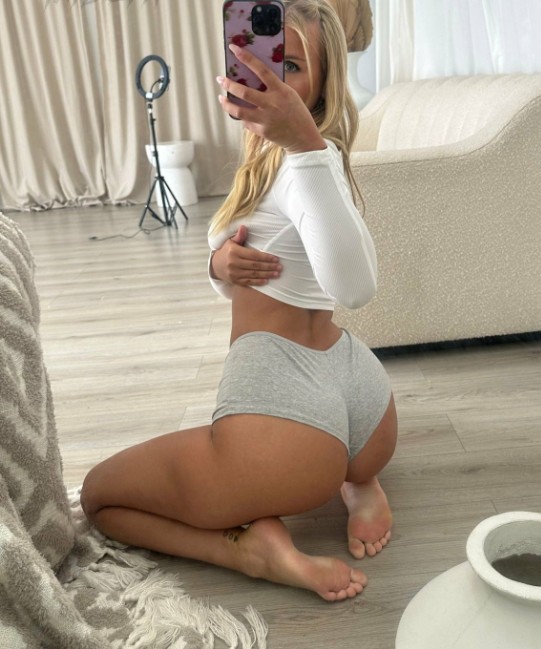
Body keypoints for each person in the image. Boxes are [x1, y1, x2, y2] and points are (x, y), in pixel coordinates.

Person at [80, 0, 397, 602]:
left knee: (100, 497)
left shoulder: (305, 158)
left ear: (323, 87)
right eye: (258, 58)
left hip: (291, 421)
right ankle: (361, 481)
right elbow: (267, 270)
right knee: (336, 458)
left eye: (291, 67)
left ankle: (248, 552)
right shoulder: (282, 156)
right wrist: (218, 266)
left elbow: (355, 289)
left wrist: (304, 144)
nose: (268, 74)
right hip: (364, 400)